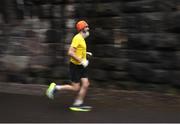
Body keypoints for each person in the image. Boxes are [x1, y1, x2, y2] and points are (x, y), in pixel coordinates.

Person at [46, 20, 92, 111]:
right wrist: (81, 60)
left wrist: (86, 54)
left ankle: (78, 104)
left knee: (86, 84)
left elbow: (78, 50)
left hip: (81, 66)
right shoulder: (77, 38)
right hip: (75, 66)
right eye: (86, 27)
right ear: (82, 29)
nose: (88, 28)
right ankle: (56, 88)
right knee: (75, 88)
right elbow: (70, 52)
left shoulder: (82, 38)